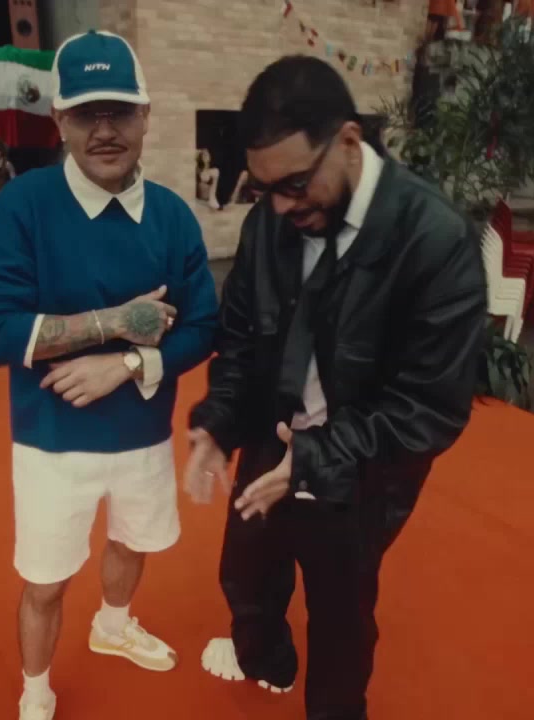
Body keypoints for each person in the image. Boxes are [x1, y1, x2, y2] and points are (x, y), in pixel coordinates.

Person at [184, 55, 488, 720]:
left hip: (361, 466)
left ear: (349, 140)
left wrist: (318, 458)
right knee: (246, 576)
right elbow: (241, 337)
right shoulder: (271, 219)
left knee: (341, 615)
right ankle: (267, 662)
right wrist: (219, 420)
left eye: (296, 184)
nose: (282, 206)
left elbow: (429, 408)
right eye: (264, 189)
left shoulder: (436, 239)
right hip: (272, 437)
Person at [0, 29, 218, 720]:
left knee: (133, 541)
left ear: (146, 115)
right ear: (60, 120)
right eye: (86, 113)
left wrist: (128, 363)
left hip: (143, 430)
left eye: (120, 111)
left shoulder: (171, 215)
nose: (104, 130)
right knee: (46, 579)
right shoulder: (22, 207)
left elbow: (203, 325)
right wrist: (114, 322)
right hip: (51, 441)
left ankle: (113, 623)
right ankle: (36, 690)